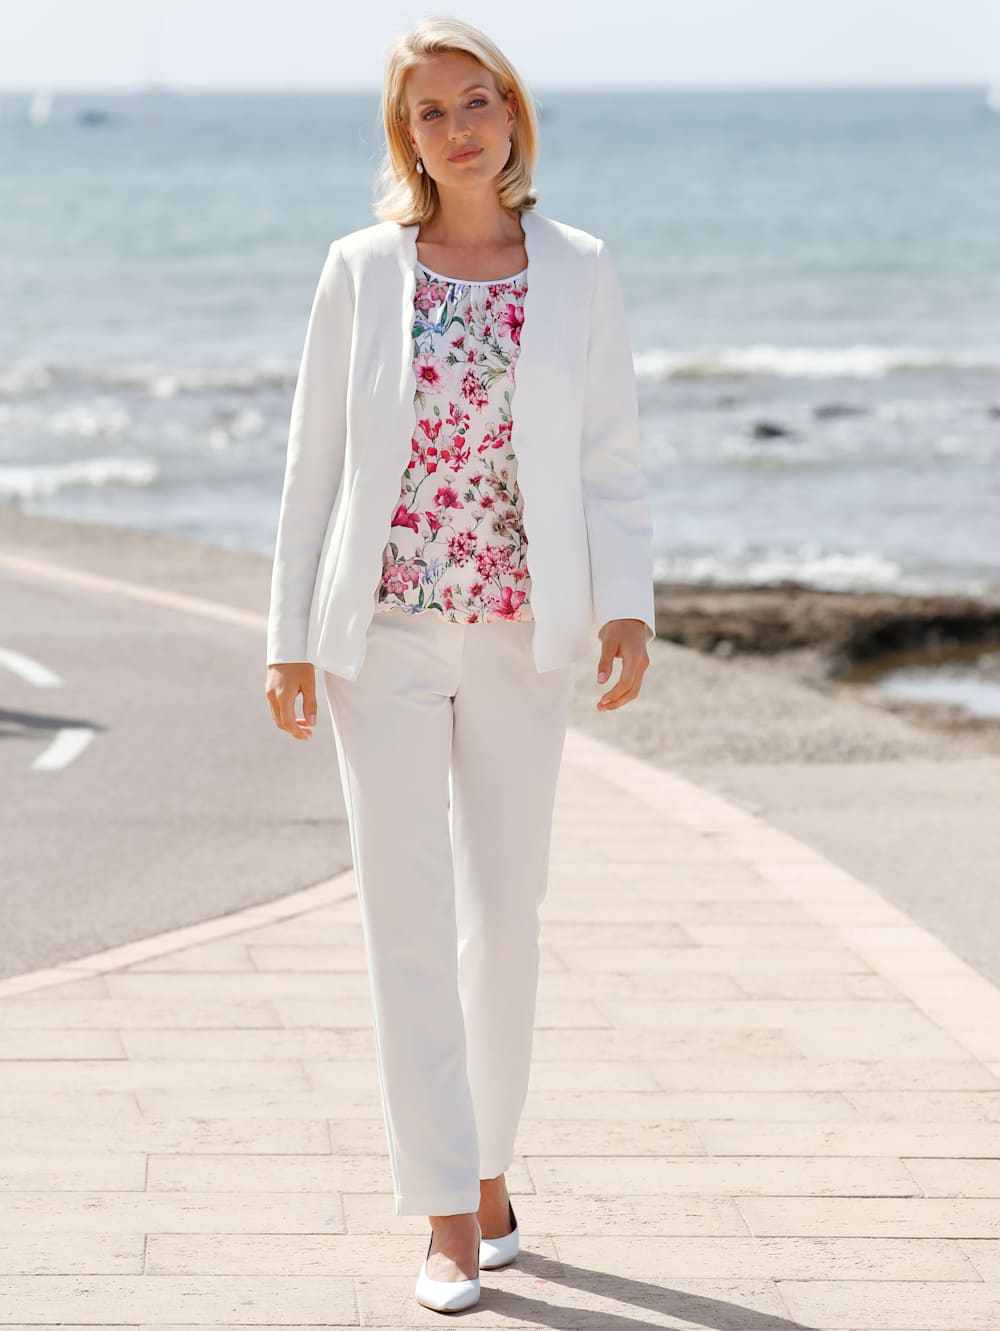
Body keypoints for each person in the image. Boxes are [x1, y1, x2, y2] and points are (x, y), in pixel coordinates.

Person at [264, 15, 656, 1314]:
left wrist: (628, 608)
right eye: (430, 112)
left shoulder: (581, 269)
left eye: (476, 101)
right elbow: (314, 464)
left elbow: (608, 456)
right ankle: (443, 1211)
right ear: (407, 138)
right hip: (379, 633)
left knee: (507, 913)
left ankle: (489, 1166)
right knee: (405, 915)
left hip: (523, 632)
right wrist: (286, 637)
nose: (459, 128)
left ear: (512, 111)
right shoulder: (359, 271)